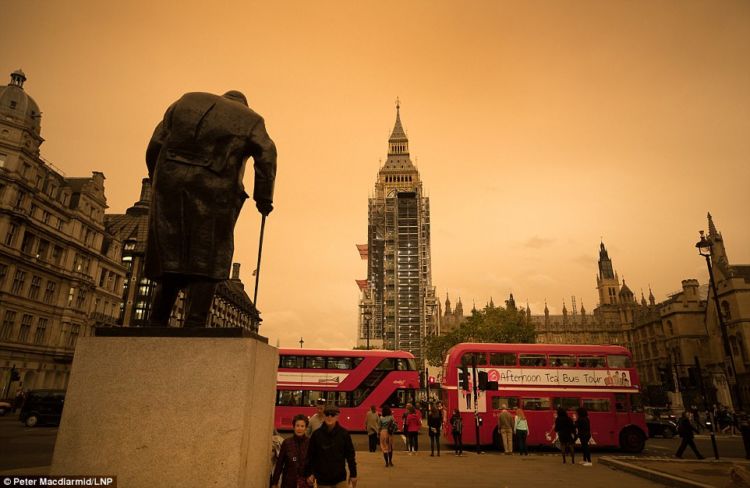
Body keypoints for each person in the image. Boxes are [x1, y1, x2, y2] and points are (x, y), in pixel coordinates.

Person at [145, 90, 277, 327]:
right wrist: (264, 198)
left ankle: (157, 320)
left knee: (170, 251)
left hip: (169, 182)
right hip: (216, 189)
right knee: (211, 253)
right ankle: (195, 322)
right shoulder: (251, 119)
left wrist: (157, 176)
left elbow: (155, 143)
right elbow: (266, 155)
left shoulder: (185, 101)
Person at [305, 405, 357, 488]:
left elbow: (350, 455)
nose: (329, 417)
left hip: (340, 479)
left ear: (337, 416)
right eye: (327, 414)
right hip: (322, 480)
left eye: (332, 415)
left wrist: (353, 474)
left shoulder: (344, 434)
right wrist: (309, 473)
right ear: (324, 416)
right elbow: (311, 456)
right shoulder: (316, 435)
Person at [272, 414, 311, 488]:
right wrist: (275, 482)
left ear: (306, 428)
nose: (299, 428)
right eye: (297, 425)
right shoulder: (287, 443)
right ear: (294, 427)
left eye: (302, 426)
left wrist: (312, 475)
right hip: (288, 483)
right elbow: (279, 464)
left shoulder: (310, 443)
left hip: (305, 483)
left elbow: (314, 462)